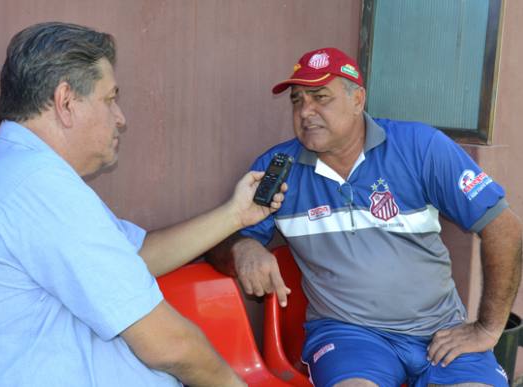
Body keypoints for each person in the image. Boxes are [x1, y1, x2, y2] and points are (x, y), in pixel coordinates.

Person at [0, 22, 287, 387]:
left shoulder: (23, 175)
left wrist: (236, 215)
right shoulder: (37, 185)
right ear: (66, 102)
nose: (120, 118)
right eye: (110, 99)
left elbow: (135, 256)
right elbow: (170, 345)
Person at [207, 47, 522, 386]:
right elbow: (218, 238)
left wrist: (488, 329)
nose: (305, 111)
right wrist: (243, 247)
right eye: (297, 100)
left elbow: (504, 228)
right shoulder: (277, 168)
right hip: (348, 336)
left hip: (440, 332)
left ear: (358, 99)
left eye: (320, 97)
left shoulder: (419, 147)